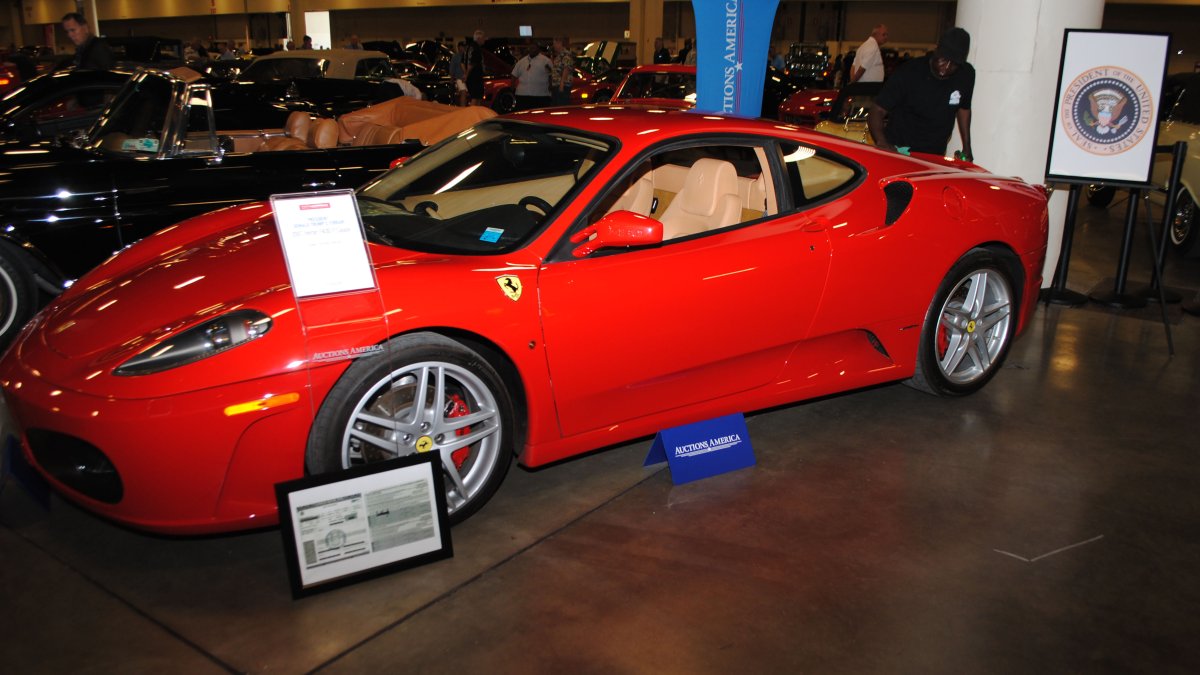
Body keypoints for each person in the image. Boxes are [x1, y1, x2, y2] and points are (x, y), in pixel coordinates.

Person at [868, 27, 974, 160]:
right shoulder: (910, 72)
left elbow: (964, 109)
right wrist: (882, 143)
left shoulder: (966, 75)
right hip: (901, 150)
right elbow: (877, 110)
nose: (946, 67)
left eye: (953, 64)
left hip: (934, 153)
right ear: (936, 50)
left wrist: (967, 147)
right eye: (943, 59)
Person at [512, 42, 552, 110]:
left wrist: (551, 87)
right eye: (530, 48)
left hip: (540, 95)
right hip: (522, 95)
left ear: (538, 49)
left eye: (534, 48)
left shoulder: (546, 61)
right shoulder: (521, 62)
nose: (532, 49)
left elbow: (551, 75)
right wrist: (512, 88)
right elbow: (513, 75)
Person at [549, 37, 574, 106]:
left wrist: (562, 84)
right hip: (556, 84)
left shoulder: (566, 55)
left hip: (562, 86)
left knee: (561, 106)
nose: (553, 46)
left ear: (559, 43)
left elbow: (566, 69)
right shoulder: (559, 55)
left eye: (554, 44)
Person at [464, 30, 486, 106]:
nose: (484, 40)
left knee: (477, 96)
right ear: (479, 38)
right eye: (483, 38)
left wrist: (465, 73)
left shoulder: (469, 47)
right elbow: (472, 63)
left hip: (471, 77)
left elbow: (463, 62)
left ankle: (476, 114)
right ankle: (473, 115)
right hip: (475, 76)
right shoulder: (476, 48)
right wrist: (466, 74)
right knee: (476, 97)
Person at [449, 40, 469, 106]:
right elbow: (452, 68)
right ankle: (462, 109)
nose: (463, 48)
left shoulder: (467, 56)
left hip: (467, 79)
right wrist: (452, 78)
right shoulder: (455, 57)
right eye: (462, 47)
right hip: (459, 78)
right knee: (463, 92)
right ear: (458, 47)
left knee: (466, 94)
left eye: (464, 47)